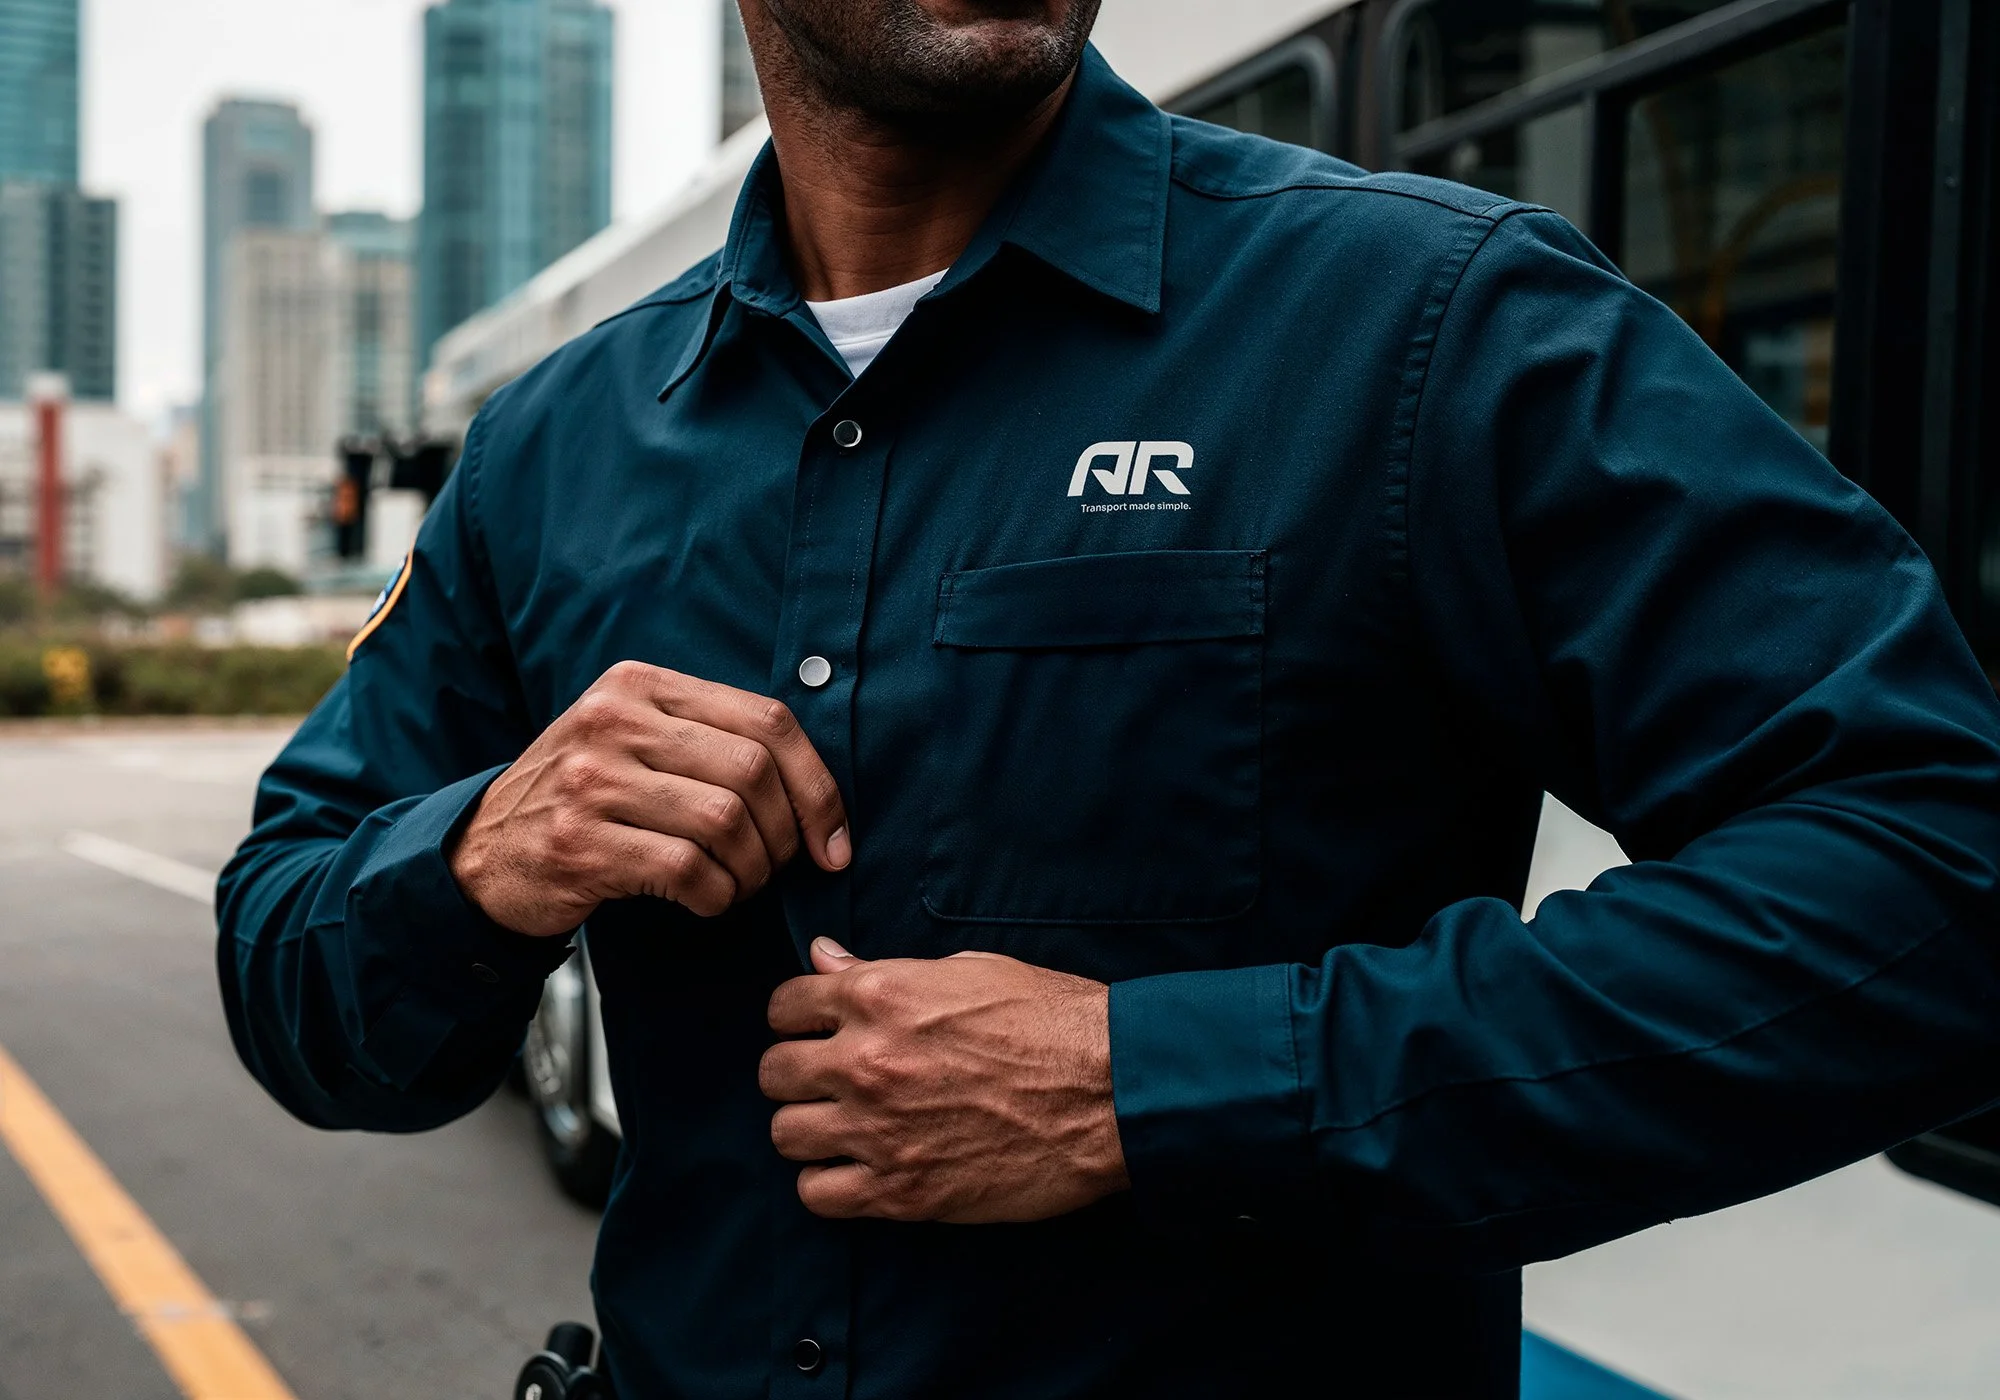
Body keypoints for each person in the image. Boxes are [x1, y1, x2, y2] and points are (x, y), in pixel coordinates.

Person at [216, 1, 2000, 1395]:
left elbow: (1935, 873)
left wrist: (1150, 1087)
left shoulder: (1439, 323)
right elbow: (293, 975)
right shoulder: (551, 448)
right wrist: (475, 855)